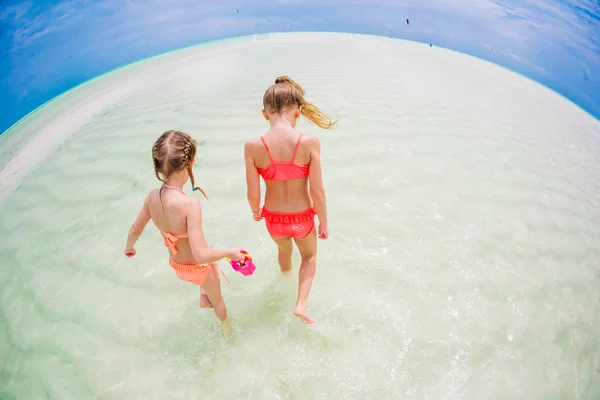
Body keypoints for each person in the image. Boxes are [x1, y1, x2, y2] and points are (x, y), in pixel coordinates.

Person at [124, 130, 244, 334]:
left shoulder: (152, 197)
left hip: (178, 267)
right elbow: (201, 256)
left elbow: (135, 228)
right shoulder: (190, 204)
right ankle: (226, 330)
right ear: (190, 163)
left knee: (204, 271)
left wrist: (129, 247)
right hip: (199, 269)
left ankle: (204, 298)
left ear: (159, 166)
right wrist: (230, 252)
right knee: (219, 301)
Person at [244, 76, 335, 324]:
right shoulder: (308, 142)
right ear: (298, 110)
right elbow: (318, 191)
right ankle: (301, 304)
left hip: (273, 219)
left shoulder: (253, 146)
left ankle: (284, 278)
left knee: (284, 250)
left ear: (265, 113)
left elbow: (253, 192)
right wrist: (324, 223)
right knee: (309, 257)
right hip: (303, 217)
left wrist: (256, 211)